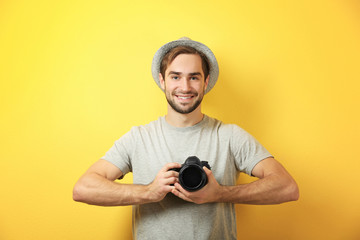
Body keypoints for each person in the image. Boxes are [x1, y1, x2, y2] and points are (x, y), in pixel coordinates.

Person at [73, 37, 299, 240]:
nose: (185, 86)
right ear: (162, 81)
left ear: (206, 82)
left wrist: (219, 193)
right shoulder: (139, 138)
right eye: (175, 76)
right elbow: (83, 189)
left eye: (194, 77)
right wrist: (150, 191)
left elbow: (287, 187)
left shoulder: (229, 136)